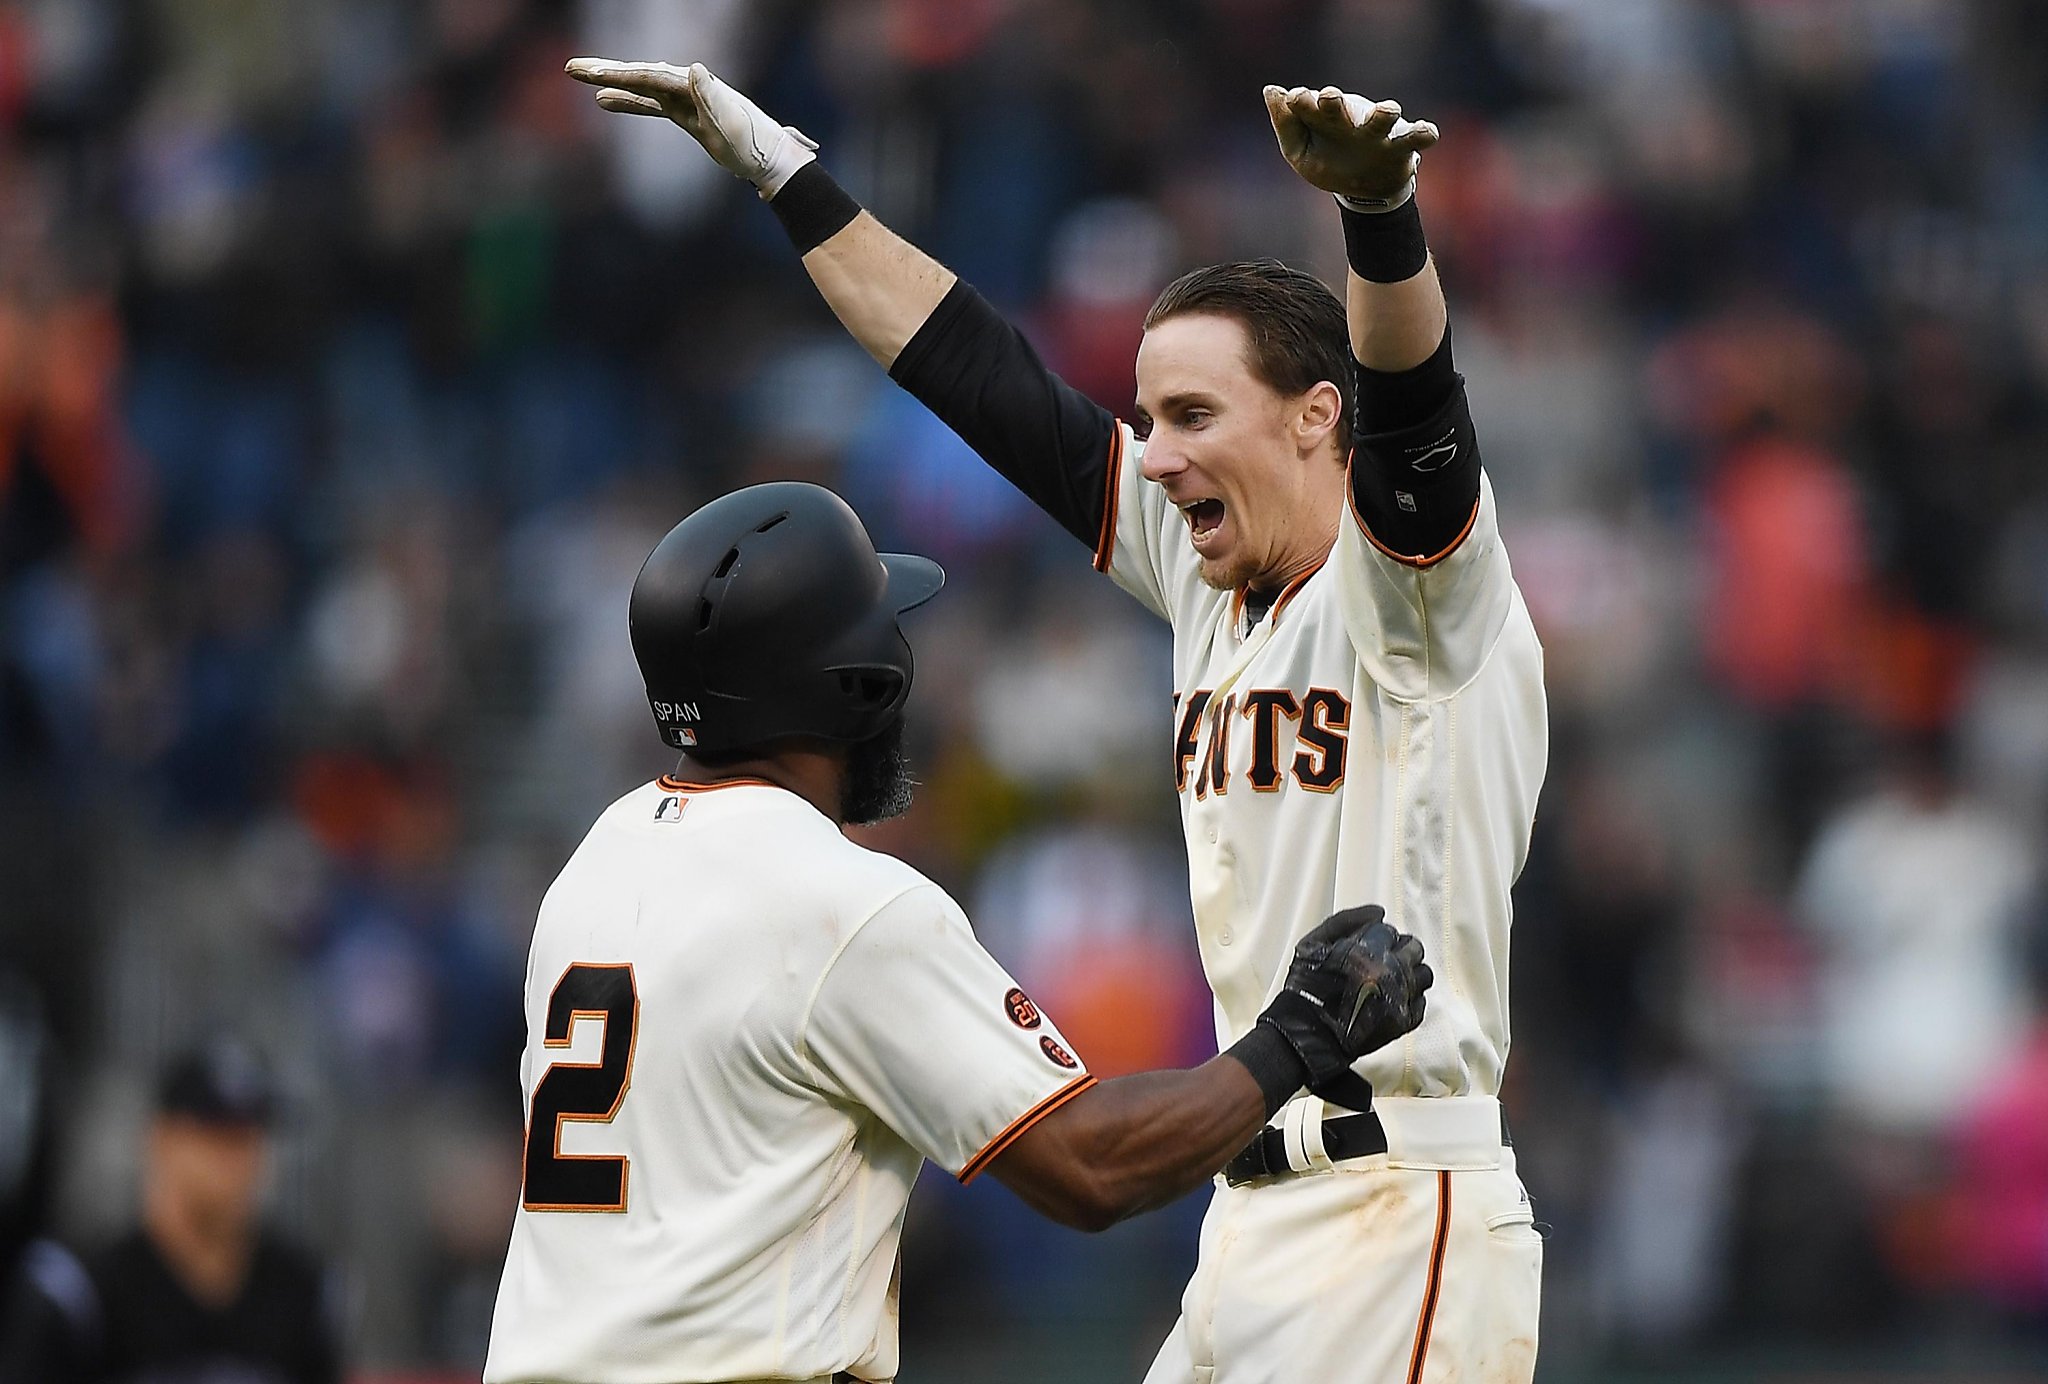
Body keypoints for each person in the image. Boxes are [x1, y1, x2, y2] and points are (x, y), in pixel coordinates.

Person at [563, 60, 1548, 1383]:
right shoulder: (1211, 581)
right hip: (1249, 1211)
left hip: (1396, 1206)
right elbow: (974, 371)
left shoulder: (1422, 590)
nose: (1153, 452)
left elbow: (1419, 410)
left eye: (1193, 415)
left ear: (1320, 422)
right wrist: (787, 175)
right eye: (1147, 419)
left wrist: (1379, 219)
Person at [482, 482, 1433, 1384]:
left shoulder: (593, 866)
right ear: (861, 686)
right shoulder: (846, 904)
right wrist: (1298, 1037)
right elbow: (1091, 1166)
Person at [76, 1040, 341, 1384]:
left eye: (252, 1135)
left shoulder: (301, 1291)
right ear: (161, 1138)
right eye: (219, 1133)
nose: (239, 1159)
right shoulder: (88, 1293)